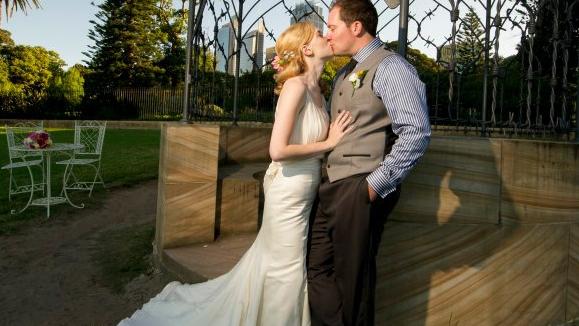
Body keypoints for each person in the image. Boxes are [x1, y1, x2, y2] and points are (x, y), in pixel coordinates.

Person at [118, 22, 353, 326]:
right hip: (289, 191)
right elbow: (277, 150)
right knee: (286, 267)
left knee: (281, 262)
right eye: (321, 34)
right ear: (307, 49)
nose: (328, 37)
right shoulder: (295, 87)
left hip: (306, 188)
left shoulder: (319, 90)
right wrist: (328, 143)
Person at [306, 1, 431, 325]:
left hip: (359, 186)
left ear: (356, 27)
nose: (327, 34)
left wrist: (373, 187)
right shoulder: (346, 73)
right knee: (317, 268)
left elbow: (416, 132)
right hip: (332, 184)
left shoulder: (391, 67)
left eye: (332, 27)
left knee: (354, 281)